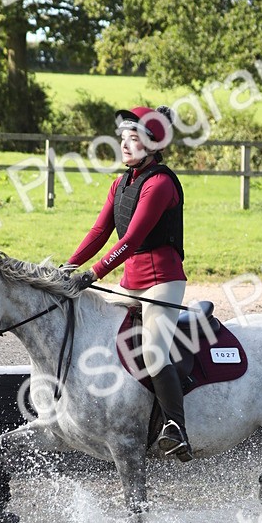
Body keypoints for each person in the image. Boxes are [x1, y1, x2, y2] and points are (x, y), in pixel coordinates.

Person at [63, 105, 193, 462]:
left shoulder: (161, 183)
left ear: (152, 144)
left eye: (132, 139)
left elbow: (132, 239)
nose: (124, 145)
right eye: (122, 138)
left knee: (152, 353)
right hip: (130, 280)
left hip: (162, 282)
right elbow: (100, 231)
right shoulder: (120, 183)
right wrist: (68, 266)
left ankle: (176, 427)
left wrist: (92, 274)